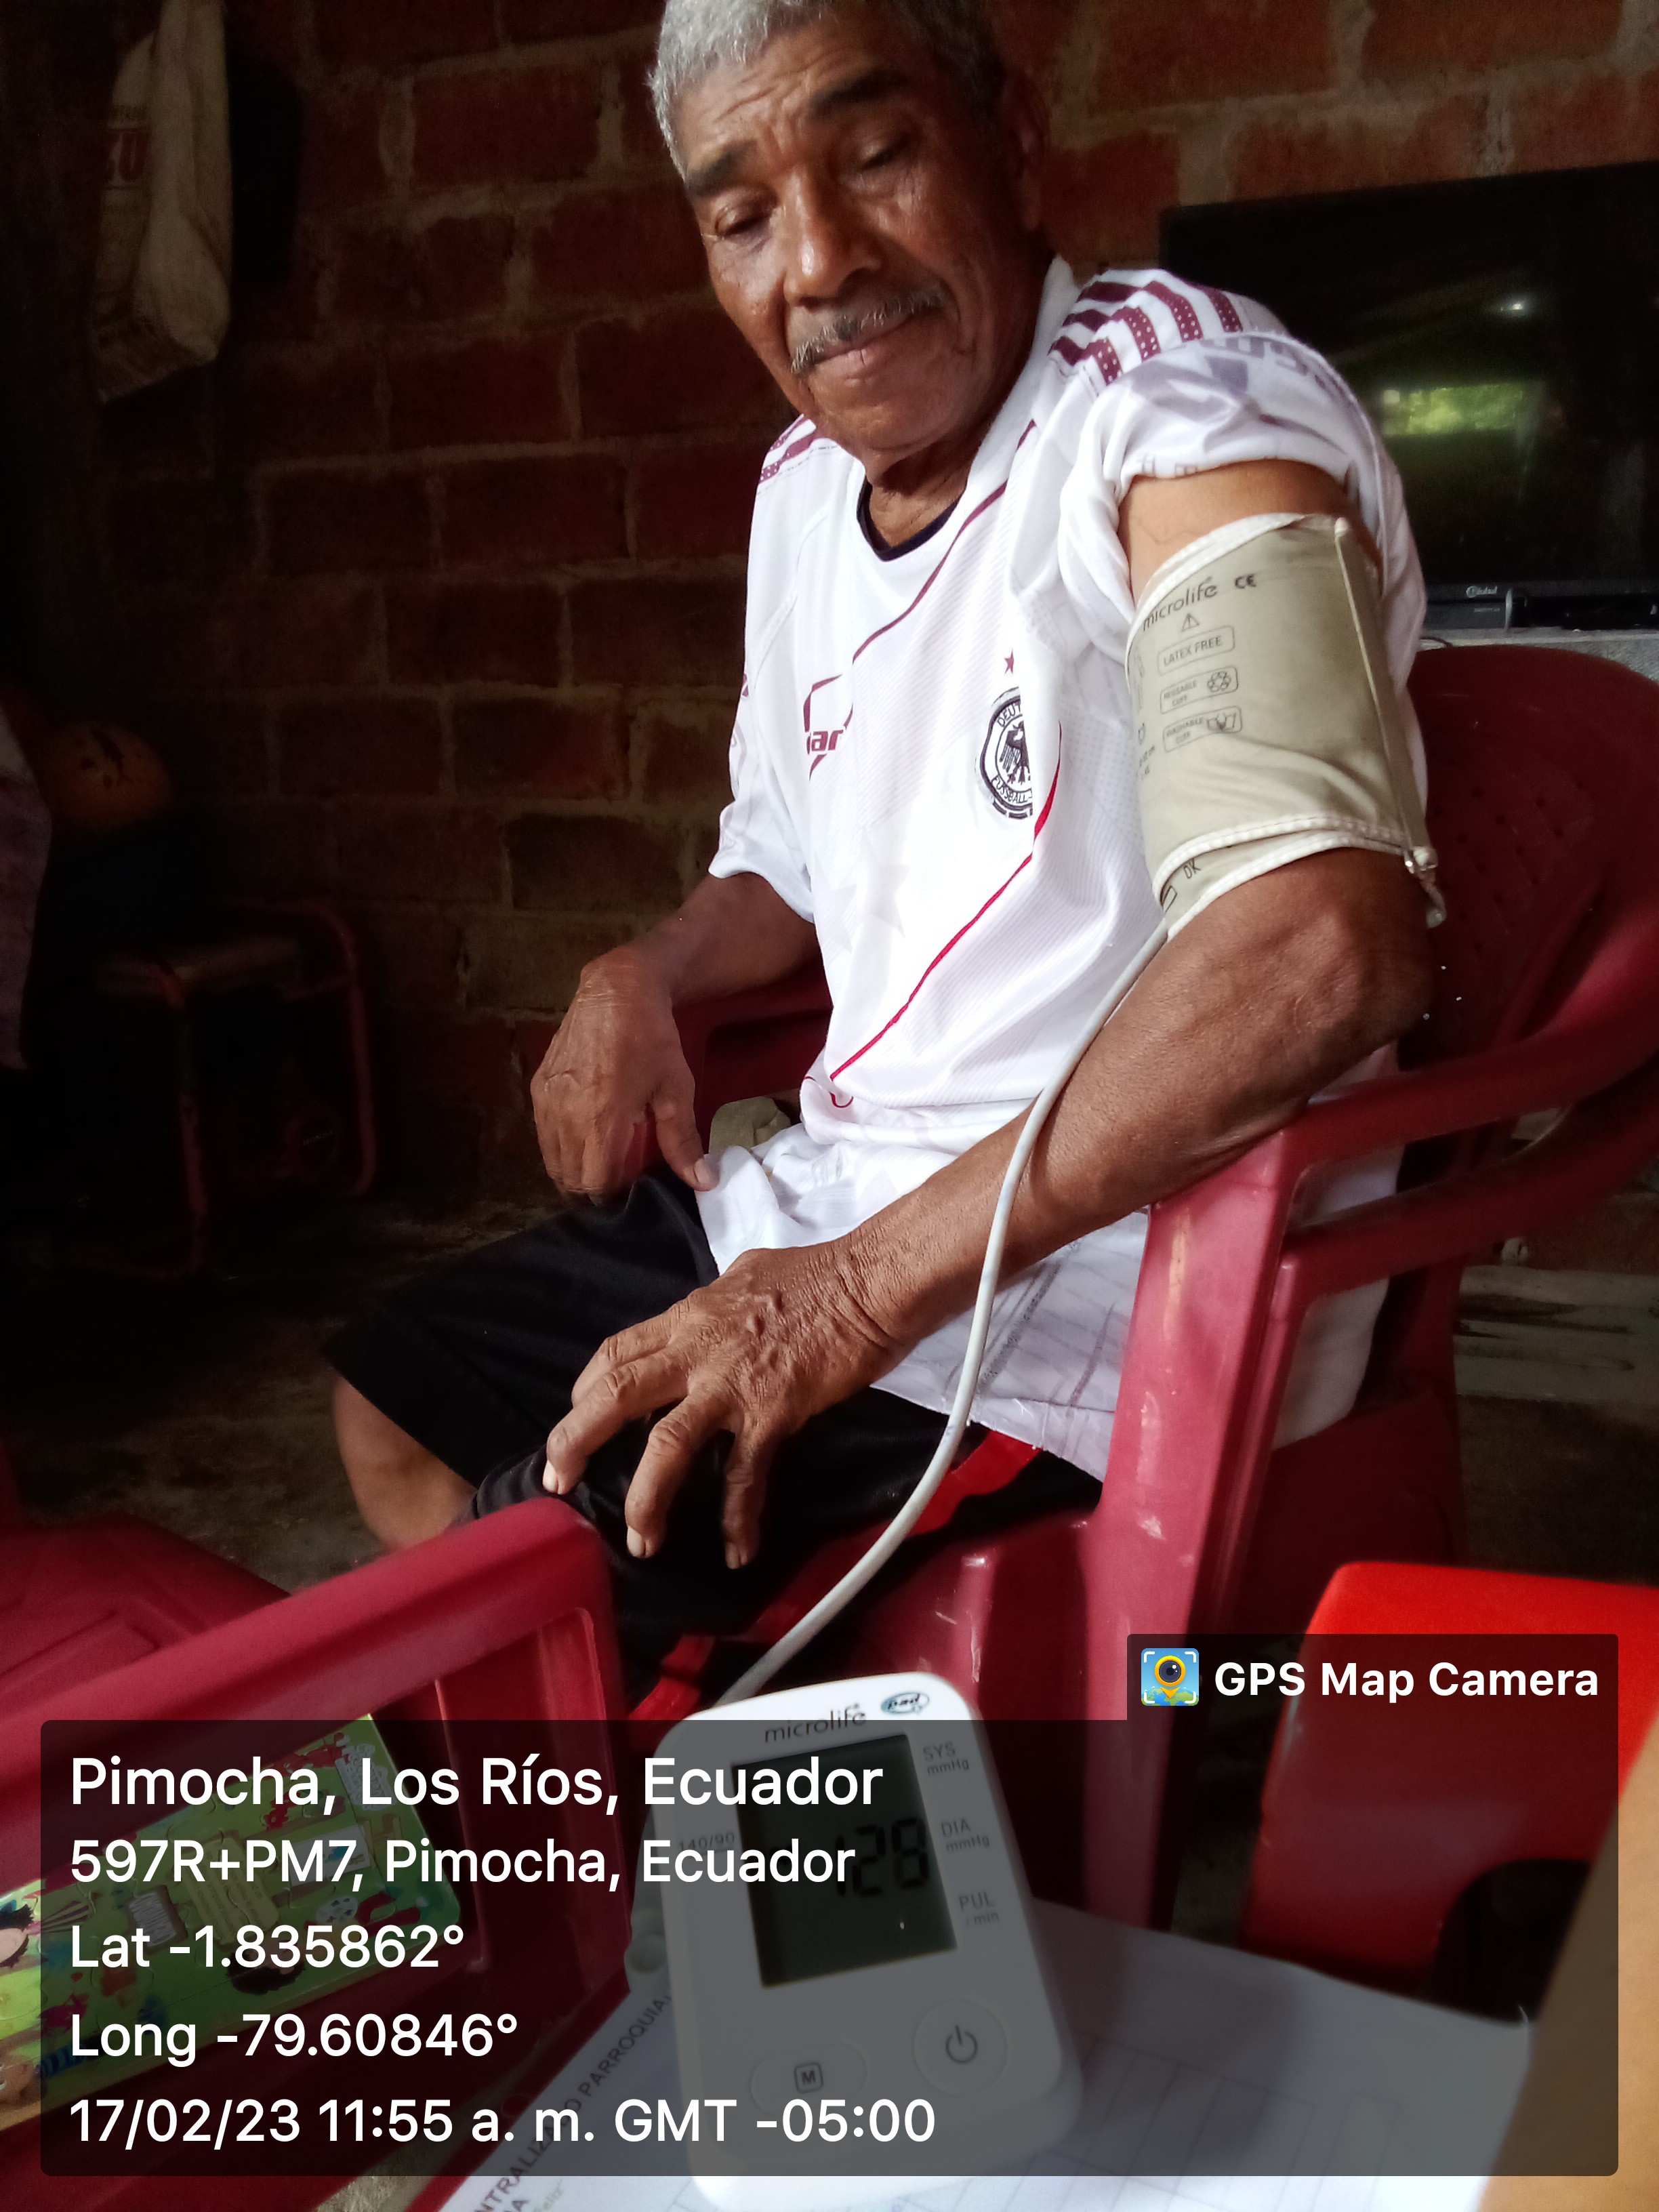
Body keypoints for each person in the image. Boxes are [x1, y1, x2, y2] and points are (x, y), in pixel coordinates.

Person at [329, 0, 1434, 1698]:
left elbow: (1320, 942)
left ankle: (678, 1770)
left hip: (1097, 1289)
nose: (821, 262)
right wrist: (644, 971)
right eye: (744, 216)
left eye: (877, 155)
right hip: (837, 1213)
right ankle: (704, 1772)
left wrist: (848, 1302)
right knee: (400, 1403)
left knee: (530, 1587)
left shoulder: (1185, 415)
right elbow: (784, 857)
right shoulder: (801, 489)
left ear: (1013, 146)